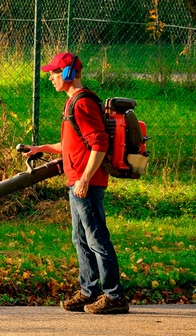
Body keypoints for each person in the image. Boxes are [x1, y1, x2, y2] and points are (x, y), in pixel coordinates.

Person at [24, 52, 129, 314]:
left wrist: (84, 178)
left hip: (87, 184)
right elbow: (73, 143)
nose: (50, 78)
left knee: (97, 239)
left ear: (68, 74)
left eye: (54, 73)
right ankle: (89, 291)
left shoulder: (81, 103)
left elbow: (99, 143)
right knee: (80, 239)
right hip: (78, 182)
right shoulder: (73, 103)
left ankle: (114, 296)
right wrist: (42, 148)